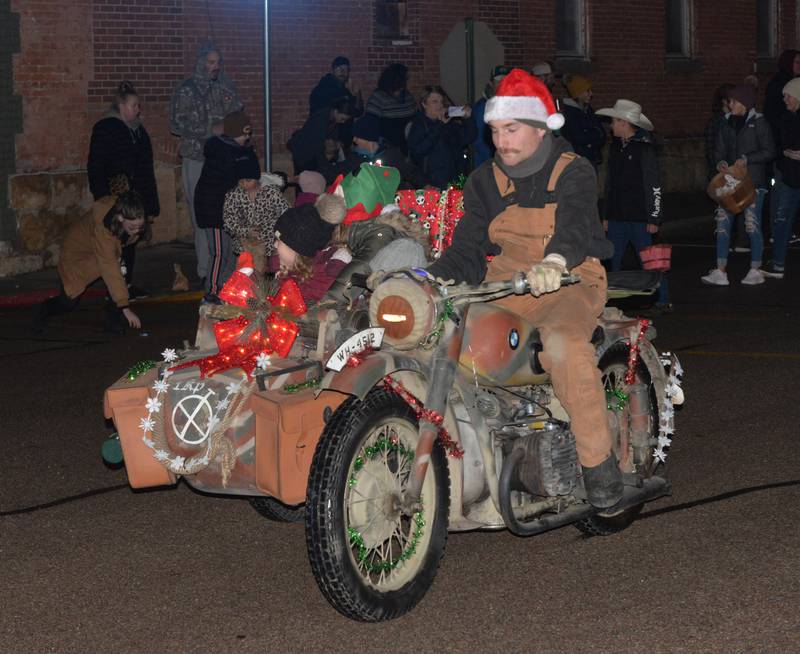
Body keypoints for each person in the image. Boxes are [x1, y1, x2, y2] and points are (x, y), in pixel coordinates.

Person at [426, 69, 622, 509]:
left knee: (563, 345)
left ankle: (598, 464)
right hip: (507, 280)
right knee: (445, 338)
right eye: (495, 131)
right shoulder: (482, 181)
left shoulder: (574, 170)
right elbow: (468, 252)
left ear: (539, 129)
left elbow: (574, 226)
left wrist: (554, 261)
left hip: (570, 276)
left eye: (511, 130)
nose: (501, 141)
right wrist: (428, 279)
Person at [170, 41, 242, 284]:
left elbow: (237, 114)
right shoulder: (187, 90)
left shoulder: (223, 87)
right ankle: (205, 270)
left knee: (226, 213)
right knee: (202, 216)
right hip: (197, 158)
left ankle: (226, 268)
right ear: (201, 63)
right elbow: (177, 124)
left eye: (218, 62)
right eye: (211, 62)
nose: (215, 67)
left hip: (223, 159)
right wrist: (211, 129)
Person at [33, 192, 146, 335]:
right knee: (68, 303)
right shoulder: (104, 228)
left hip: (100, 250)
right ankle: (44, 309)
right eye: (132, 227)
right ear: (120, 218)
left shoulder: (129, 210)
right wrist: (125, 307)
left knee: (120, 272)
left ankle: (113, 323)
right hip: (77, 255)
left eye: (140, 227)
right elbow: (109, 267)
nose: (136, 231)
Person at [87, 81, 159, 299]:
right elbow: (96, 165)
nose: (138, 109)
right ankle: (115, 287)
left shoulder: (138, 131)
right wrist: (102, 198)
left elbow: (146, 168)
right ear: (121, 106)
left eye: (138, 105)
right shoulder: (106, 128)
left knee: (130, 243)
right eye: (134, 105)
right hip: (115, 198)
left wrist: (150, 202)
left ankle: (126, 284)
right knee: (114, 242)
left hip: (135, 197)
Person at [596, 99, 669, 312]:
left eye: (614, 122)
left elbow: (653, 186)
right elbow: (610, 185)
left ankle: (663, 299)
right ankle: (607, 299)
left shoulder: (643, 150)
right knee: (611, 260)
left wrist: (654, 218)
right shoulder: (616, 149)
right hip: (617, 216)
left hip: (639, 218)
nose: (611, 126)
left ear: (624, 123)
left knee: (650, 261)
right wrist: (606, 214)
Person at [702, 84, 776, 286]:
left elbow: (769, 151)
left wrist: (747, 159)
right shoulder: (725, 123)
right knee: (722, 225)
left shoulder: (759, 123)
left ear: (743, 102)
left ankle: (755, 269)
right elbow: (718, 151)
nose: (728, 104)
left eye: (732, 101)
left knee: (752, 225)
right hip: (730, 183)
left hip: (753, 183)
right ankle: (720, 270)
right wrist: (721, 163)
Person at [194, 111, 260, 302]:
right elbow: (226, 181)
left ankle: (225, 286)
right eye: (243, 134)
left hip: (230, 210)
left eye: (248, 134)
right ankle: (212, 290)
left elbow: (252, 173)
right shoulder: (218, 151)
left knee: (232, 251)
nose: (246, 138)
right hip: (213, 210)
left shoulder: (244, 152)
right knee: (219, 252)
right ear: (232, 133)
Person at [272, 192, 349, 303]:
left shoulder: (322, 279)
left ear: (297, 250)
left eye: (279, 242)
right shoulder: (286, 264)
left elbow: (297, 304)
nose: (274, 245)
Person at [317, 113, 426, 188]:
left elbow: (410, 172)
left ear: (368, 137)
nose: (354, 140)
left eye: (357, 137)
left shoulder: (392, 155)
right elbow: (333, 173)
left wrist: (425, 185)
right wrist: (320, 157)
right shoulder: (355, 159)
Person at [762, 78, 800, 279]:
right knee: (781, 220)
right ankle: (777, 264)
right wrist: (784, 153)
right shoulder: (784, 119)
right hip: (788, 177)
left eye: (788, 95)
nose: (784, 99)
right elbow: (774, 146)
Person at [223, 165, 290, 276]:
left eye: (248, 180)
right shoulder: (233, 195)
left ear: (257, 178)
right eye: (240, 180)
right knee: (246, 276)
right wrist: (245, 231)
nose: (244, 183)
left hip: (270, 246)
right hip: (244, 246)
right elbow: (228, 221)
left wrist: (279, 238)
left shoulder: (271, 193)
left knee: (271, 277)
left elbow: (286, 214)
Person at [407, 85, 477, 189]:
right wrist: (425, 184)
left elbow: (467, 137)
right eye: (435, 102)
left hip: (454, 183)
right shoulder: (418, 125)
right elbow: (418, 151)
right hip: (432, 185)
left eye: (441, 102)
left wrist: (468, 119)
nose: (440, 105)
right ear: (424, 104)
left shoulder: (448, 123)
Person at [288, 97, 355, 176]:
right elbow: (317, 145)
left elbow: (331, 139)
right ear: (336, 111)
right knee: (305, 180)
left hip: (312, 154)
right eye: (342, 118)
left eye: (345, 120)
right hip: (303, 152)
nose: (343, 122)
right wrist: (326, 166)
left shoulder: (333, 119)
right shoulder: (320, 119)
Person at [365, 63, 417, 152]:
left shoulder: (408, 96)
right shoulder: (379, 97)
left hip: (407, 146)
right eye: (404, 78)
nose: (407, 80)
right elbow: (370, 123)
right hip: (386, 147)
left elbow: (414, 119)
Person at [559, 74, 605, 168]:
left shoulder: (588, 110)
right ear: (578, 93)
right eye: (587, 91)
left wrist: (592, 138)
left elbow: (602, 134)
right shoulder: (570, 114)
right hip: (578, 162)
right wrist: (594, 136)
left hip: (590, 159)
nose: (591, 94)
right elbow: (579, 138)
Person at [472, 65, 510, 167]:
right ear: (491, 83)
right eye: (498, 81)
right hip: (489, 165)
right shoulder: (483, 107)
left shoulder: (514, 105)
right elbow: (479, 140)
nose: (502, 84)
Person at [764, 50, 800, 148]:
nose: (799, 65)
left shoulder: (795, 81)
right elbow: (772, 112)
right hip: (780, 134)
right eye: (797, 62)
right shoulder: (778, 83)